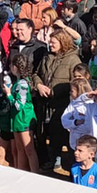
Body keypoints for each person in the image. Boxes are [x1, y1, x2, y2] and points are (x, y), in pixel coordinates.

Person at [32, 30, 80, 170]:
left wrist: (55, 91)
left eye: (53, 42)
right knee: (46, 133)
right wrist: (39, 85)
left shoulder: (73, 60)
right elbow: (36, 74)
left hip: (62, 104)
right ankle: (51, 160)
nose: (50, 45)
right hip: (45, 104)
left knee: (60, 133)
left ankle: (64, 162)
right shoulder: (47, 56)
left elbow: (75, 82)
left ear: (62, 42)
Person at [5, 55, 39, 172]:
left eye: (11, 65)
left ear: (15, 67)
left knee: (29, 150)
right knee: (20, 150)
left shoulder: (22, 84)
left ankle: (35, 175)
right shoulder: (18, 82)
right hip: (17, 120)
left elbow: (19, 105)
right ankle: (21, 173)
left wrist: (9, 94)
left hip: (24, 119)